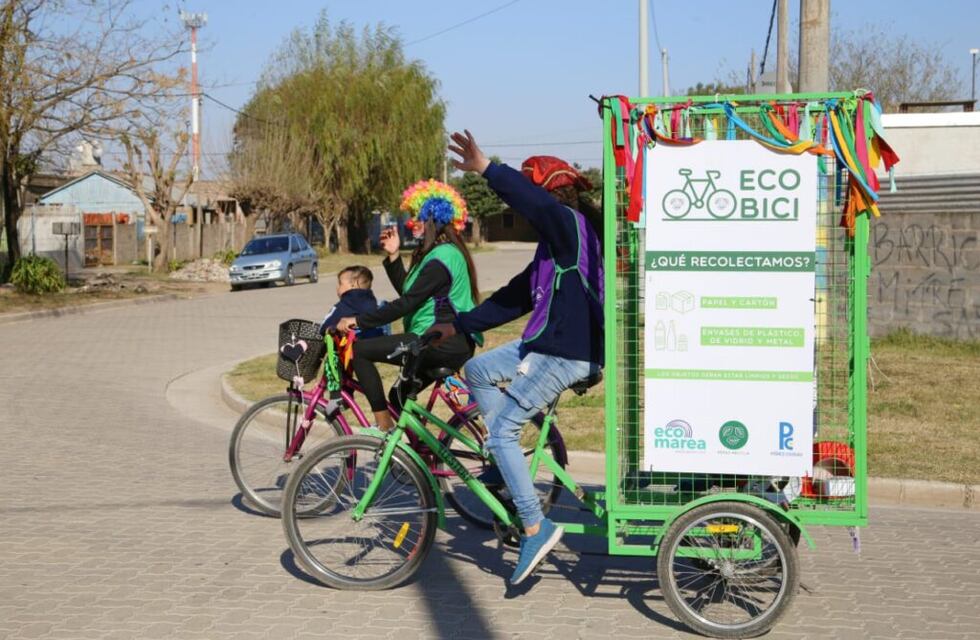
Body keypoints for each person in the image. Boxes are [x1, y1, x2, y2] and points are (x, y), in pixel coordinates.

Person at [430, 130, 604, 586]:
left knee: (503, 430)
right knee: (479, 369)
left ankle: (534, 525)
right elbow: (514, 297)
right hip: (547, 345)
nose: (522, 212)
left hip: (568, 352)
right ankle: (503, 467)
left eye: (528, 197)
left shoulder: (566, 224)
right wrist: (460, 325)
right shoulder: (552, 247)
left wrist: (486, 168)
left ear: (548, 193)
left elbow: (539, 207)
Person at [336, 180, 482, 431]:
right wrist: (394, 255)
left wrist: (358, 321)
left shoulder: (441, 259)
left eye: (417, 216)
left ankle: (383, 425)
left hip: (440, 340)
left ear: (432, 220)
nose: (411, 222)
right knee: (398, 398)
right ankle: (422, 453)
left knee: (360, 351)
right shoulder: (438, 254)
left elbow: (406, 303)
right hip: (439, 339)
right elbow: (410, 292)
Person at [318, 266, 386, 339]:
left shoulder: (344, 306)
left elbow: (323, 329)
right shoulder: (373, 303)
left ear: (353, 285)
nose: (337, 287)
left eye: (340, 283)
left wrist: (334, 327)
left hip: (351, 344)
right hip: (375, 341)